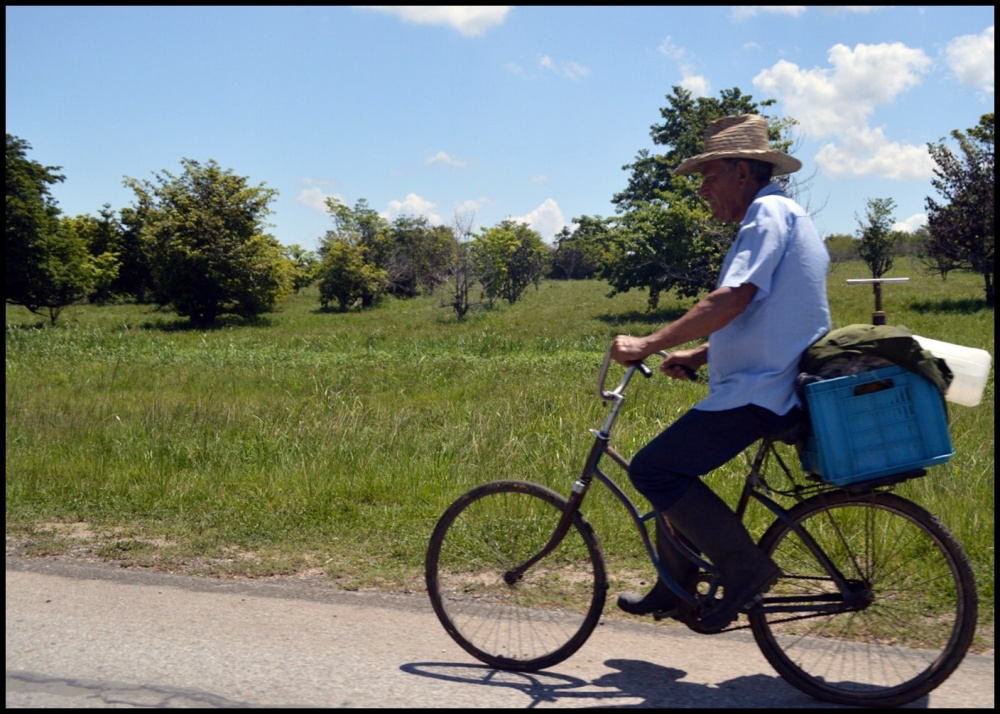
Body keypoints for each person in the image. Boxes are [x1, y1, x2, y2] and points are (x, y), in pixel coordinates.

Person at [610, 113, 832, 631]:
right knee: (674, 469)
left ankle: (746, 569)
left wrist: (649, 342)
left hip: (762, 392)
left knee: (654, 470)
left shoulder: (767, 214)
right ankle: (674, 585)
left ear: (740, 170)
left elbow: (733, 298)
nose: (703, 190)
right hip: (766, 382)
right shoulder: (781, 215)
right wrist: (700, 355)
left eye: (709, 176)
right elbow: (769, 318)